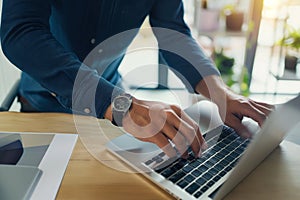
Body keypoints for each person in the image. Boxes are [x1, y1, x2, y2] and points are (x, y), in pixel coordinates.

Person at [1, 0, 273, 158]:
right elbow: (21, 32)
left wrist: (220, 93)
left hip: (107, 118)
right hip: (43, 111)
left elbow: (171, 31)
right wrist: (121, 105)